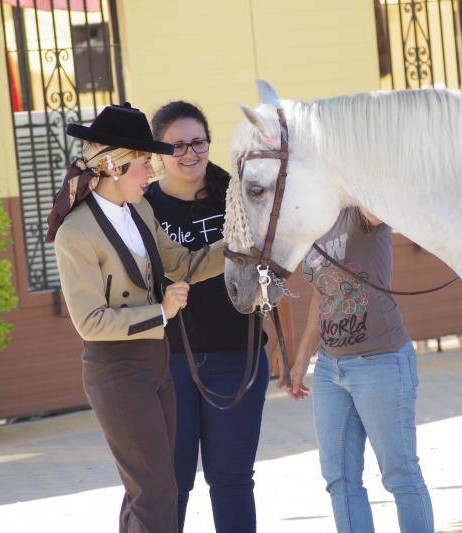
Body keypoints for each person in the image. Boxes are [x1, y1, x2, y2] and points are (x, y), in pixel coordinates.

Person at [48, 102, 225, 533]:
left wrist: (241, 250)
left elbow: (182, 263)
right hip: (115, 370)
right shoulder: (75, 233)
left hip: (154, 362)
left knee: (152, 488)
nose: (152, 173)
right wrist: (159, 313)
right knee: (155, 490)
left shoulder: (140, 210)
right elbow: (89, 321)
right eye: (143, 164)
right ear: (112, 165)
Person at [145, 100, 293, 533]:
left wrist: (275, 336)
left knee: (231, 479)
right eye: (177, 146)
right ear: (157, 154)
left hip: (238, 354)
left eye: (198, 143)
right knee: (172, 481)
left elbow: (269, 263)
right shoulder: (144, 206)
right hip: (169, 361)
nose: (189, 154)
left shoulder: (235, 192)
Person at [285, 207, 434, 533]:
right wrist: (301, 360)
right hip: (329, 368)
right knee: (339, 477)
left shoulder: (360, 214)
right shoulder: (314, 222)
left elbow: (380, 192)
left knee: (400, 474)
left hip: (380, 361)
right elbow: (321, 295)